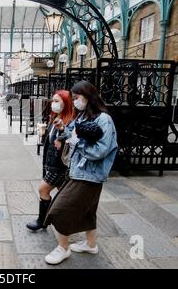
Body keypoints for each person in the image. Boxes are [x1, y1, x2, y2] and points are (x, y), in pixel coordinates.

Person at [43, 81, 118, 265]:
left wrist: (77, 142)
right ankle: (91, 245)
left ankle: (63, 248)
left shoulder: (104, 120)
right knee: (88, 212)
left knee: (60, 210)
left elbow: (100, 151)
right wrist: (63, 129)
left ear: (87, 96)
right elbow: (72, 132)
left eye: (77, 98)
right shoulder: (84, 116)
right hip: (77, 171)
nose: (75, 101)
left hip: (89, 175)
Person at [26, 90, 74, 231]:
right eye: (53, 101)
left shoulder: (69, 121)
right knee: (64, 196)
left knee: (42, 189)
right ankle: (70, 220)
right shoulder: (55, 117)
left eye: (57, 101)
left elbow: (69, 136)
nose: (53, 104)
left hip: (59, 166)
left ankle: (43, 221)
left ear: (66, 103)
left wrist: (60, 137)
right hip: (52, 163)